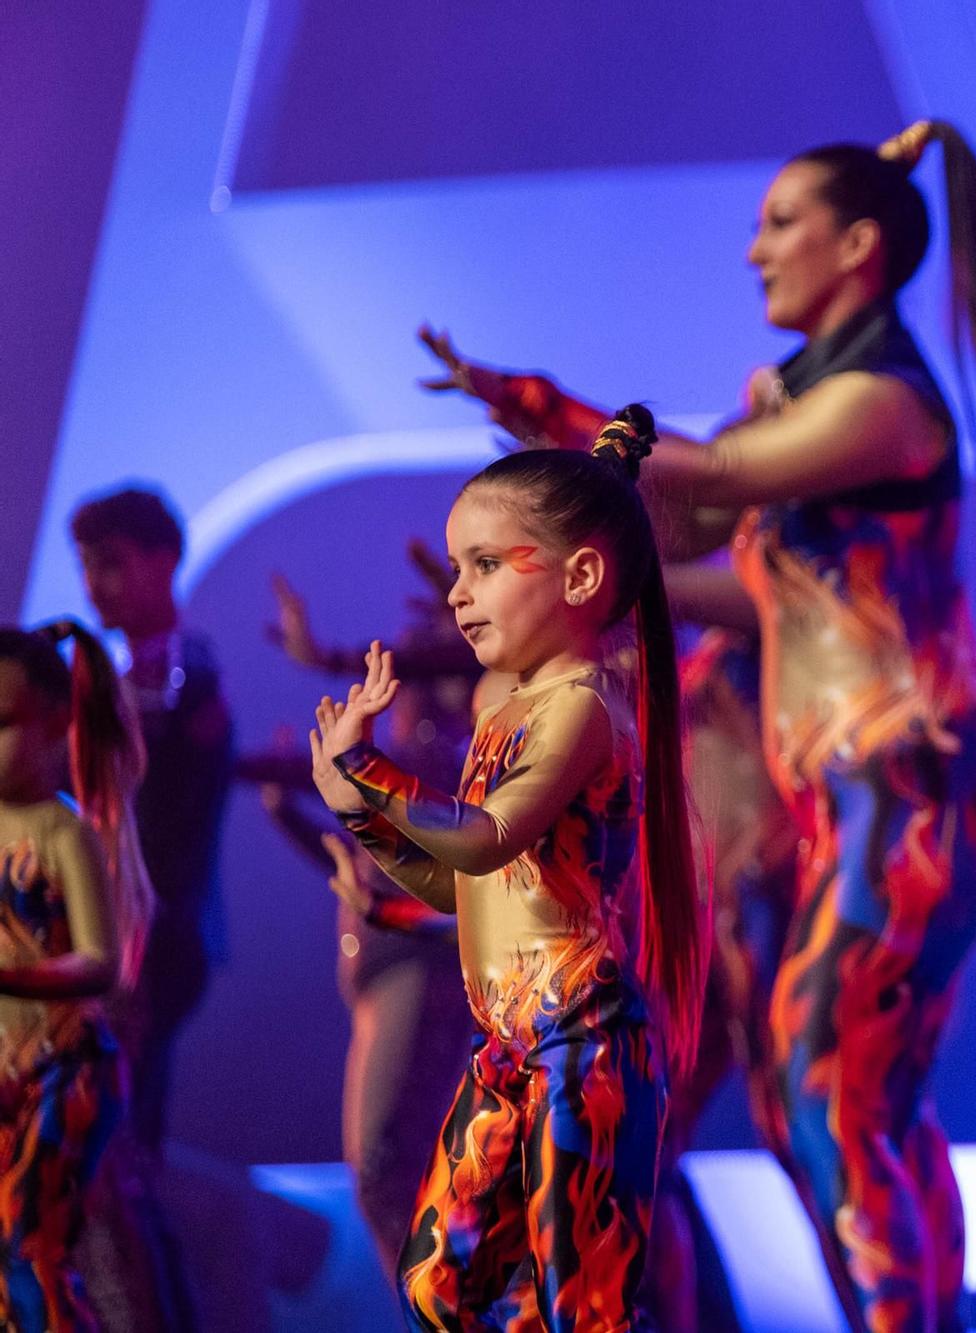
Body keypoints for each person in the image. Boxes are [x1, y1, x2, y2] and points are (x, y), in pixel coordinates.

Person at [415, 117, 976, 1333]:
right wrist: (552, 584)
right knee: (832, 1099)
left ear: (859, 245)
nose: (753, 253)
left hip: (918, 781)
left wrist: (542, 410)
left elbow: (717, 475)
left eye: (778, 224)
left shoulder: (878, 401)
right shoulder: (821, 406)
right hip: (849, 799)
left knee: (824, 1083)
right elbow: (747, 588)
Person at [307, 431, 705, 1329]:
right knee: (437, 1283)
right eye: (457, 567)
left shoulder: (582, 709)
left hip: (584, 1043)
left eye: (485, 564)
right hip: (510, 1051)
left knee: (582, 1303)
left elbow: (483, 840)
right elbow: (459, 887)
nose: (456, 592)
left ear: (579, 578)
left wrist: (374, 775)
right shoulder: (503, 712)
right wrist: (358, 806)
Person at [242, 547, 481, 1280]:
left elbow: (440, 884)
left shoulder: (473, 734)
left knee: (387, 1166)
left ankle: (454, 1309)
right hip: (388, 954)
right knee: (386, 1169)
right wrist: (301, 809)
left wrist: (325, 659)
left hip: (424, 960)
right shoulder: (425, 733)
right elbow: (371, 877)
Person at [68, 486, 226, 1331]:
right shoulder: (116, 683)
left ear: (162, 560)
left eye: (112, 562)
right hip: (110, 941)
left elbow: (163, 829)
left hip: (149, 944)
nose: (96, 584)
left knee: (118, 1160)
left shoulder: (184, 680)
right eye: (87, 566)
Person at [0, 621, 154, 1330]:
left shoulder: (64, 833)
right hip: (9, 1074)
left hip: (66, 1070)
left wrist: (16, 981)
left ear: (56, 720)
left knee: (31, 1248)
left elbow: (101, 962)